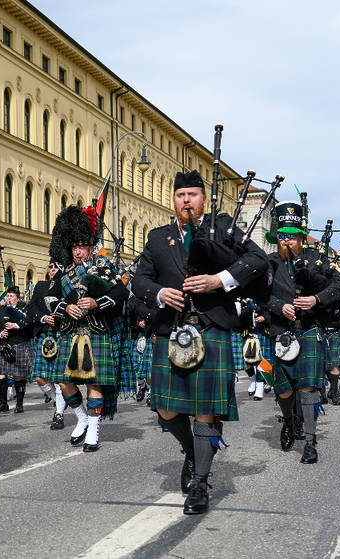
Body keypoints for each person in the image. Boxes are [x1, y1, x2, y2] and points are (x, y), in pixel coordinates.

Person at [133, 169, 267, 515]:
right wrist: (161, 293)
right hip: (172, 330)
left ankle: (200, 484)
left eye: (192, 195)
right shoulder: (159, 237)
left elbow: (257, 261)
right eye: (181, 196)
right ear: (173, 199)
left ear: (203, 199)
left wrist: (218, 280)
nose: (186, 201)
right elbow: (140, 280)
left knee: (206, 412)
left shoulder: (222, 229)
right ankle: (193, 451)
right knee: (165, 408)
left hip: (212, 328)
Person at [261, 201, 340, 464]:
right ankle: (289, 421)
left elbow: (339, 285)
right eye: (281, 236)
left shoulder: (315, 261)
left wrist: (316, 300)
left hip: (308, 330)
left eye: (291, 236)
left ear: (301, 237)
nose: (286, 241)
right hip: (281, 332)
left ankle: (310, 442)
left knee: (308, 390)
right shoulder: (270, 263)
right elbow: (260, 296)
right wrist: (279, 306)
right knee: (284, 391)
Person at [44, 205, 129, 453]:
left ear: (91, 247)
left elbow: (121, 293)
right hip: (70, 332)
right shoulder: (63, 273)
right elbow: (49, 299)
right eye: (74, 247)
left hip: (96, 331)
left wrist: (96, 303)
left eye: (82, 246)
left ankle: (93, 427)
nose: (78, 251)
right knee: (62, 382)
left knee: (94, 383)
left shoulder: (102, 266)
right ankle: (81, 416)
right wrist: (65, 307)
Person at [26, 262, 67, 429]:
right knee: (39, 377)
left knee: (59, 379)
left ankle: (59, 414)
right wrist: (43, 317)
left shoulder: (66, 286)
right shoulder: (40, 285)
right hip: (43, 335)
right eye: (50, 267)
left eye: (56, 268)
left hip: (61, 334)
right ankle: (58, 400)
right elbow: (31, 307)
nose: (52, 270)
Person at [0, 286, 34, 414]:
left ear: (18, 298)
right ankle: (3, 403)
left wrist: (15, 326)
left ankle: (19, 404)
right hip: (3, 345)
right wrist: (0, 333)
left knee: (18, 375)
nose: (9, 298)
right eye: (8, 296)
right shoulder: (0, 309)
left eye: (12, 296)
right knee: (0, 374)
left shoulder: (25, 308)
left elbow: (30, 322)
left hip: (19, 344)